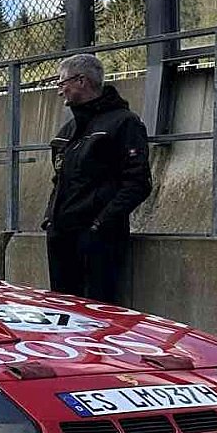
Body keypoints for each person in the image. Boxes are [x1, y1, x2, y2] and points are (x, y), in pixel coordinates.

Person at [42, 53, 153, 303]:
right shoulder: (67, 131)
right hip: (62, 238)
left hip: (98, 242)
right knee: (63, 310)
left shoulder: (123, 123)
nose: (60, 91)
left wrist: (99, 225)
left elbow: (138, 183)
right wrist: (50, 220)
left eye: (62, 83)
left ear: (81, 81)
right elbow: (59, 180)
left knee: (97, 311)